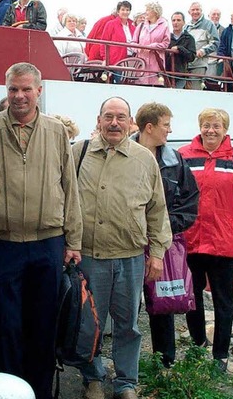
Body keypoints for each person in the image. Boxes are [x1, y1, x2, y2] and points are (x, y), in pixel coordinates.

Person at [0, 62, 83, 399]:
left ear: (39, 91)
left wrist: (74, 240)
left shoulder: (56, 132)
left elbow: (69, 188)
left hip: (48, 243)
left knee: (43, 325)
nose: (19, 96)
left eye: (26, 89)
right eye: (13, 89)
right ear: (6, 91)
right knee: (5, 325)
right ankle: (9, 390)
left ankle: (40, 392)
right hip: (2, 244)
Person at [72, 97, 172, 399]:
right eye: (108, 117)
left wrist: (157, 253)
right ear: (99, 120)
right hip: (90, 257)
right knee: (90, 325)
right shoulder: (78, 153)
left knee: (129, 325)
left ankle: (126, 382)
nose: (114, 123)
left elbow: (157, 209)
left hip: (130, 257)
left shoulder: (144, 159)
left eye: (120, 117)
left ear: (130, 123)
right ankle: (93, 378)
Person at [178, 108, 233, 371]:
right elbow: (175, 194)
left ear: (225, 129)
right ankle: (198, 344)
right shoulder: (184, 155)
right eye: (206, 125)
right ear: (199, 127)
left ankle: (221, 356)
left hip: (222, 242)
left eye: (216, 126)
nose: (210, 130)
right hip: (191, 239)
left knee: (223, 300)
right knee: (192, 297)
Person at [132, 102, 199, 368]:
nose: (170, 131)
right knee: (127, 305)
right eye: (166, 125)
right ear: (150, 127)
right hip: (129, 242)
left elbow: (190, 200)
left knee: (164, 301)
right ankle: (129, 365)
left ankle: (164, 362)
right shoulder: (122, 154)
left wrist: (166, 226)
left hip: (161, 242)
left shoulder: (174, 161)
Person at [132, 2, 170, 85]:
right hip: (141, 63)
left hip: (156, 63)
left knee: (155, 88)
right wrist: (139, 47)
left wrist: (154, 46)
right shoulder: (141, 25)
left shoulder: (164, 25)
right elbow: (133, 42)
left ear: (155, 12)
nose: (146, 12)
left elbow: (166, 43)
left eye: (148, 10)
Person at [185, 2, 220, 90]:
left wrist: (203, 51)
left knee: (196, 90)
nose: (195, 12)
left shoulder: (209, 25)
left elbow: (215, 42)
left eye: (197, 10)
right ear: (189, 12)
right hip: (186, 64)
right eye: (193, 10)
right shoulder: (186, 27)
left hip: (199, 64)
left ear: (201, 11)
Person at [99, 0, 135, 83]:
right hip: (116, 60)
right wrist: (105, 58)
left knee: (130, 84)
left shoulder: (133, 26)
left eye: (127, 10)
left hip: (131, 60)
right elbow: (104, 42)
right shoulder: (111, 24)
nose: (125, 12)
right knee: (118, 83)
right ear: (118, 11)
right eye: (123, 10)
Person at [165, 12, 197, 89]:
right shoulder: (166, 37)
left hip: (181, 75)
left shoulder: (189, 38)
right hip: (166, 74)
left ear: (184, 22)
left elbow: (192, 57)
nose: (176, 23)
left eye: (178, 20)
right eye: (173, 20)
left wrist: (179, 48)